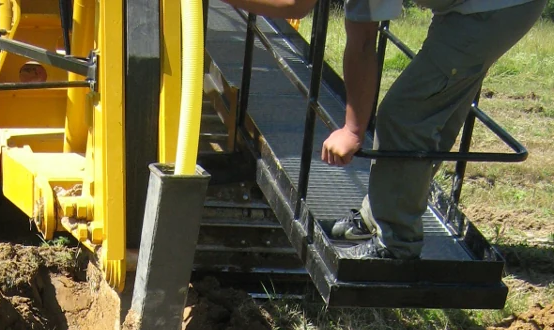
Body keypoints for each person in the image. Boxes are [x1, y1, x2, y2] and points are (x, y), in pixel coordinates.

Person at [220, 0, 545, 259]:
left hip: (495, 8)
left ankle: (396, 245)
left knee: (404, 116)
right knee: (432, 109)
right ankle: (377, 216)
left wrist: (352, 130)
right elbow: (356, 34)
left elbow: (306, 11)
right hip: (471, 8)